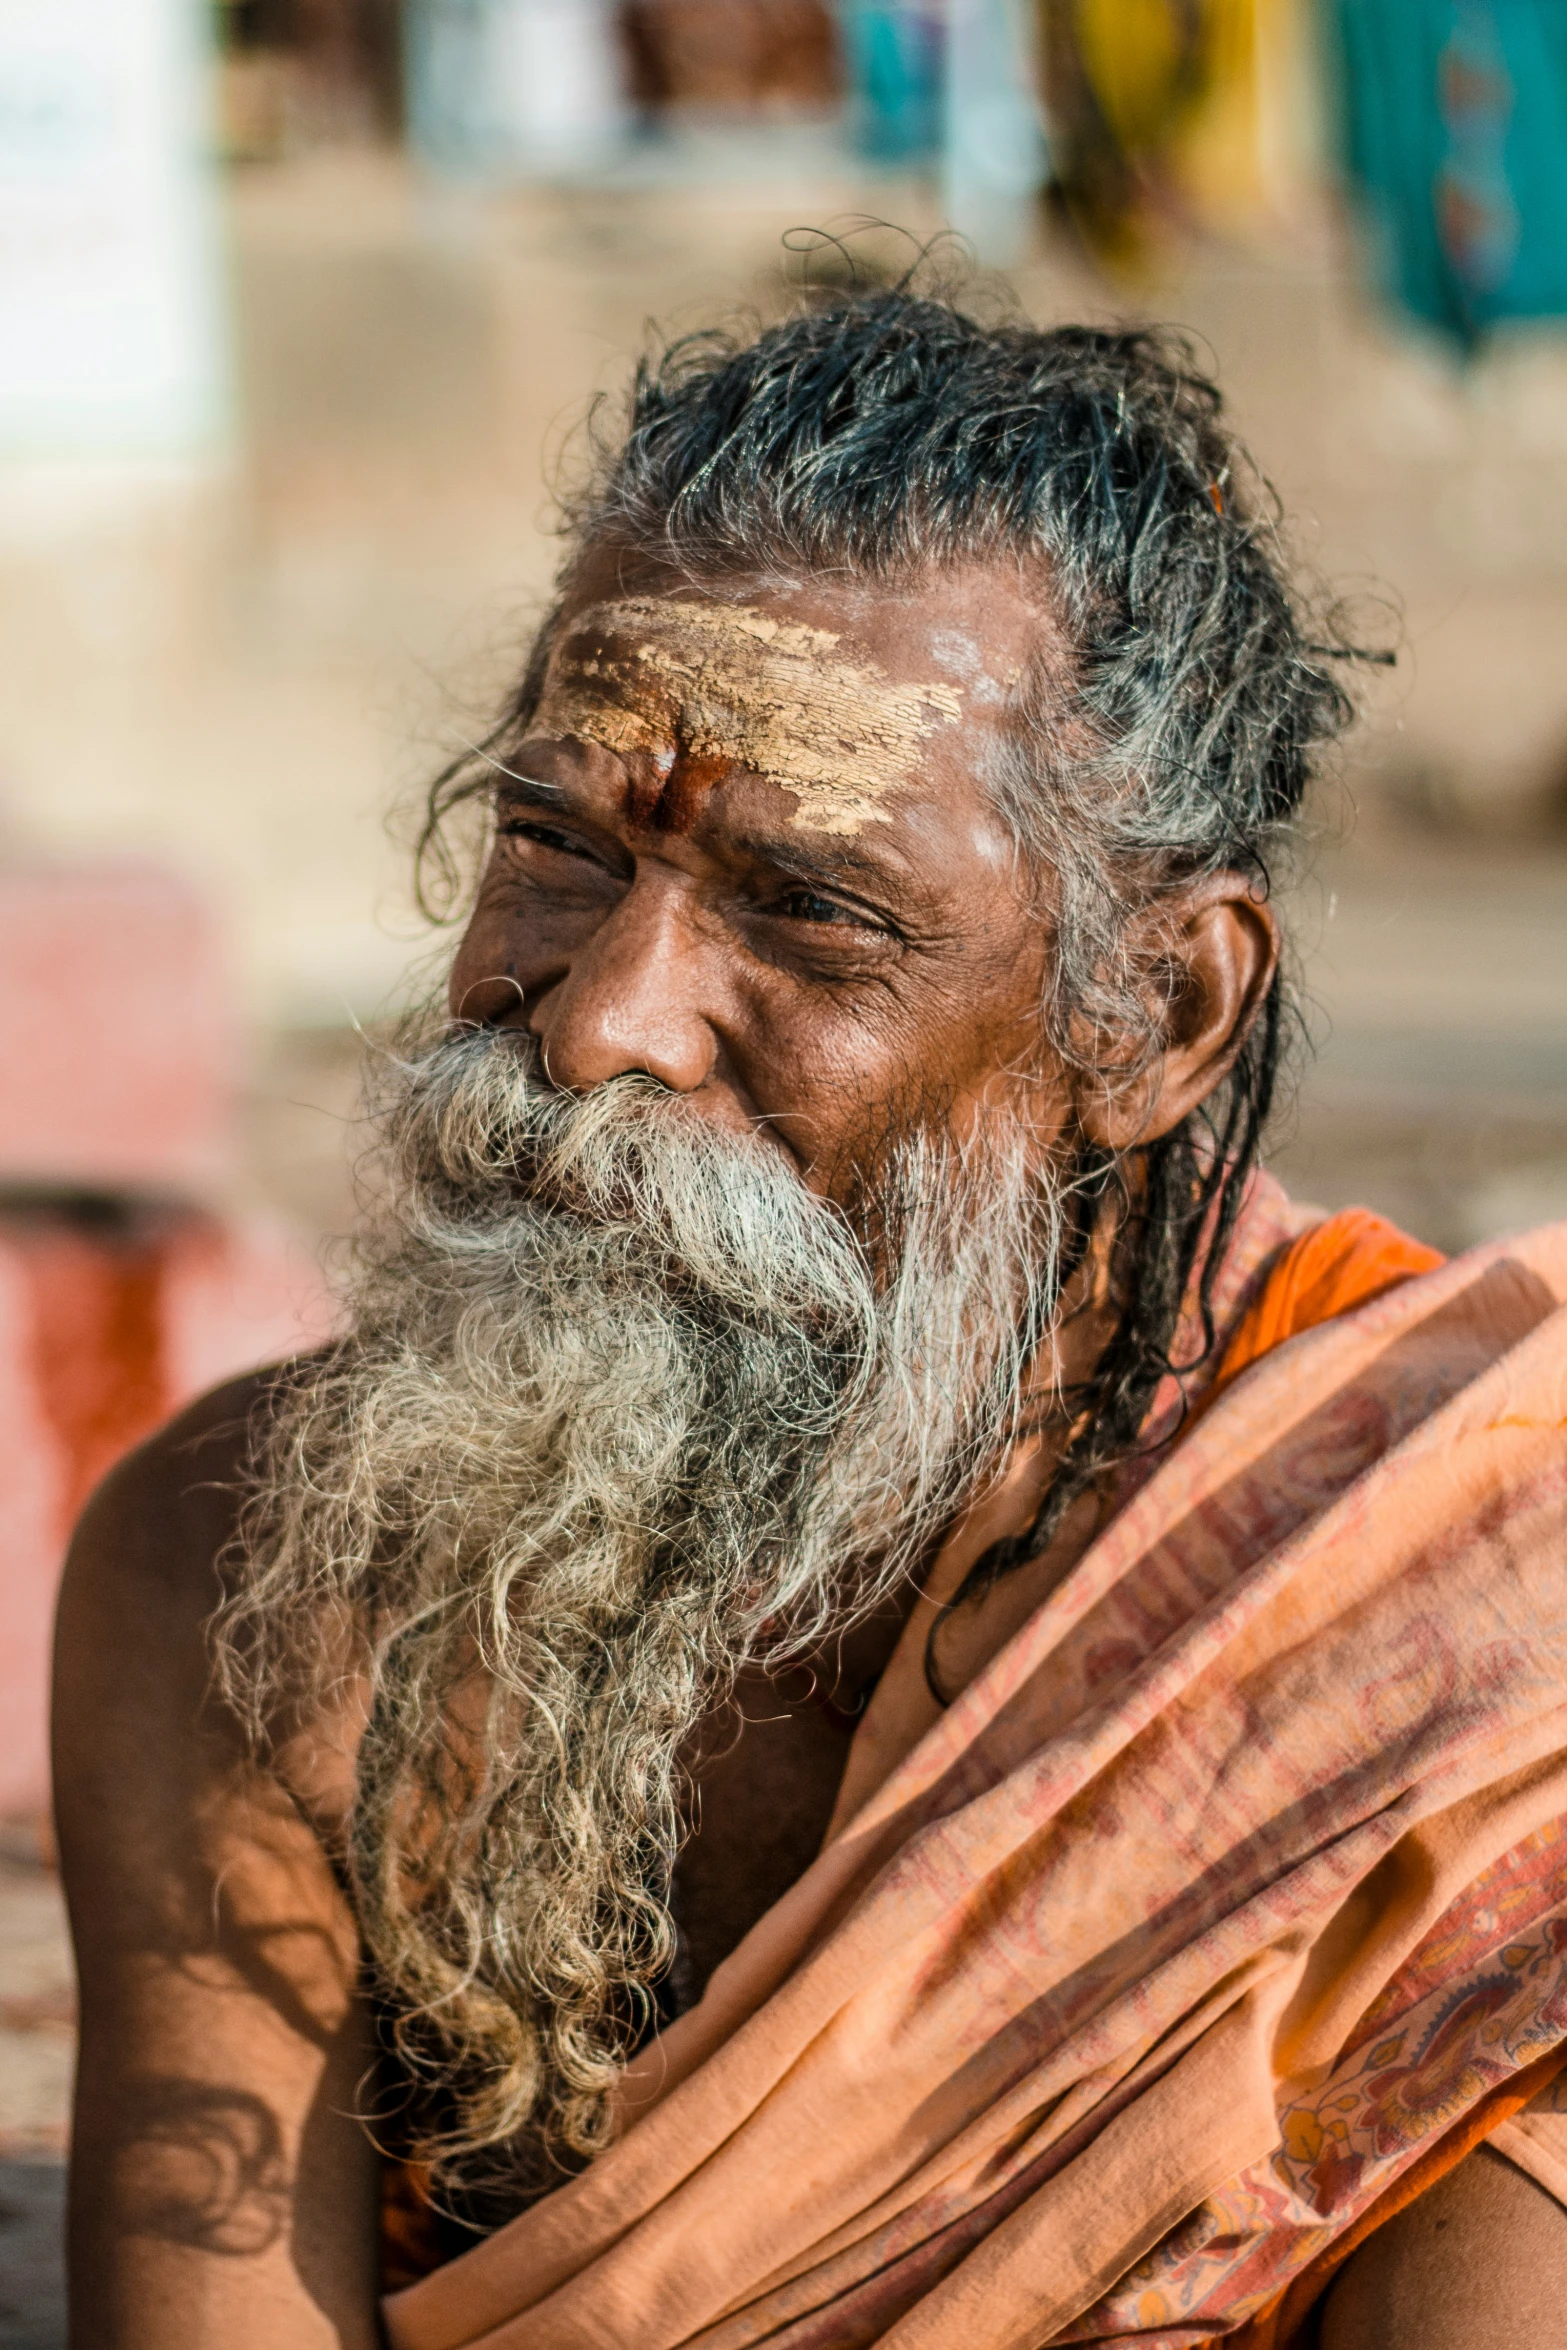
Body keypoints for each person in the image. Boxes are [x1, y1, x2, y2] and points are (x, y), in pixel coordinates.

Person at [54, 294, 1567, 2350]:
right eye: (556, 846)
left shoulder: (1465, 1625)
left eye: (811, 910)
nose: (601, 1023)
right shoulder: (256, 1574)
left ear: (1154, 1014)